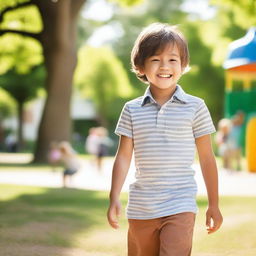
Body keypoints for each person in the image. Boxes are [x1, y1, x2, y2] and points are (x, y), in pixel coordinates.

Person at [107, 23, 223, 256]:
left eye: (172, 59)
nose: (164, 66)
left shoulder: (195, 107)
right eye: (155, 59)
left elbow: (207, 158)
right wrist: (114, 197)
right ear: (140, 66)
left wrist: (214, 204)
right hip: (141, 207)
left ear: (183, 65)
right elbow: (123, 157)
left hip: (180, 203)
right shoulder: (131, 109)